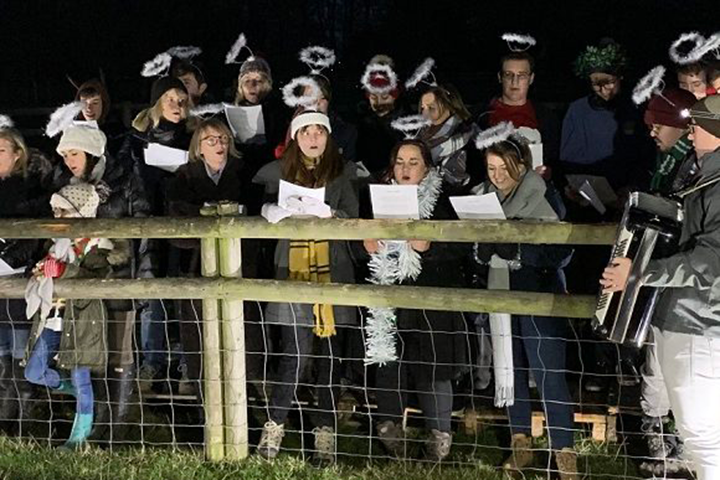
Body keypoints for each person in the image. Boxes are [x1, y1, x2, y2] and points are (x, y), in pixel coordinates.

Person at [601, 94, 720, 480]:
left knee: (702, 435)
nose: (690, 129)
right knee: (695, 432)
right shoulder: (697, 170)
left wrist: (639, 272)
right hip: (680, 317)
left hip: (700, 321)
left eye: (698, 124)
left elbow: (710, 262)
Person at [252, 110, 358, 464]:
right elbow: (259, 209)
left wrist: (330, 215)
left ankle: (324, 436)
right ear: (295, 137)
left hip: (333, 270)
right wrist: (271, 211)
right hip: (291, 270)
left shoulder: (343, 172)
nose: (313, 138)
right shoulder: (278, 172)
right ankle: (274, 428)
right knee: (293, 357)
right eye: (306, 132)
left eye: (319, 132)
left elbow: (352, 217)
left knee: (329, 360)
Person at [472, 135, 577, 480]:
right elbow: (473, 246)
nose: (497, 175)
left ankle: (563, 450)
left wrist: (518, 252)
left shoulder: (544, 194)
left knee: (548, 371)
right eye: (491, 168)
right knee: (510, 368)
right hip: (500, 291)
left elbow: (562, 250)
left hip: (540, 291)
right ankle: (521, 443)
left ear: (521, 164)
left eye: (504, 167)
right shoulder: (481, 197)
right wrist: (481, 251)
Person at [362, 139, 468, 461]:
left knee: (433, 367)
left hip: (431, 300)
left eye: (413, 162)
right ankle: (391, 434)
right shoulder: (375, 199)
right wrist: (364, 245)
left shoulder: (444, 201)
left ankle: (439, 437)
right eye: (400, 162)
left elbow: (462, 249)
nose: (406, 169)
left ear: (427, 167)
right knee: (388, 364)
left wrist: (430, 248)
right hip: (389, 296)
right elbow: (358, 241)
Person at [51, 124, 149, 443]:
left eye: (74, 153)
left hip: (120, 278)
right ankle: (94, 425)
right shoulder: (67, 183)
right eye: (65, 155)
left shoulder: (124, 179)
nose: (69, 161)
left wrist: (138, 270)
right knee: (91, 354)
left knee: (120, 352)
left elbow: (142, 226)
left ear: (92, 152)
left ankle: (115, 429)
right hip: (84, 280)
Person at [24, 182, 131, 451]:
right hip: (54, 315)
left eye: (63, 212)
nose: (57, 218)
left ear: (80, 212)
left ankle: (78, 438)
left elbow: (94, 277)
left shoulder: (100, 245)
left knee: (82, 377)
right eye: (55, 212)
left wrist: (62, 271)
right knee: (33, 371)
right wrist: (41, 270)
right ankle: (71, 391)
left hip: (83, 317)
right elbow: (48, 269)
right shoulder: (56, 243)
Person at [165, 118, 257, 407]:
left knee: (238, 336)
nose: (219, 145)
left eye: (223, 139)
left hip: (239, 268)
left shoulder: (245, 175)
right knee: (199, 341)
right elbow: (176, 224)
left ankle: (242, 403)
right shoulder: (184, 177)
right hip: (195, 269)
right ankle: (206, 406)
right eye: (211, 140)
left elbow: (254, 218)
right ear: (199, 147)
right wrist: (213, 221)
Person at [117, 76, 193, 391]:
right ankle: (152, 362)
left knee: (187, 295)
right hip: (148, 223)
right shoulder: (135, 139)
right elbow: (126, 178)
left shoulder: (193, 136)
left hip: (185, 223)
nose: (177, 105)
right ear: (157, 102)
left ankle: (189, 364)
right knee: (152, 297)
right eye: (170, 99)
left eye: (182, 99)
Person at [0, 126, 48, 436]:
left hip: (17, 279)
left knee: (20, 356)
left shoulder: (31, 189)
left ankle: (24, 423)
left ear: (18, 154)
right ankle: (4, 422)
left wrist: (7, 260)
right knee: (1, 358)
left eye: (1, 151)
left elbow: (34, 233)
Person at [476, 50, 561, 181]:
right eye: (508, 74)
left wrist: (549, 171)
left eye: (521, 75)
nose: (514, 81)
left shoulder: (546, 117)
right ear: (500, 77)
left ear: (531, 78)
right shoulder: (481, 116)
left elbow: (555, 159)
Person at [232, 55, 289, 177]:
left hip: (268, 172)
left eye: (258, 80)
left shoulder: (279, 113)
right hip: (238, 173)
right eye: (247, 80)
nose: (252, 85)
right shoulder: (229, 112)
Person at [355, 55, 407, 179]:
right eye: (373, 97)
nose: (379, 103)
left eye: (384, 97)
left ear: (394, 96)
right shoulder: (360, 124)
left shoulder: (407, 125)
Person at [419, 84, 478, 190]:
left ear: (449, 107)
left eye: (431, 108)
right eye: (423, 108)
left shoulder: (466, 137)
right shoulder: (418, 136)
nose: (425, 112)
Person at [645, 88, 698, 194]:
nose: (652, 134)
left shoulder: (697, 165)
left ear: (685, 128)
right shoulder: (663, 159)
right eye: (651, 127)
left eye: (658, 127)